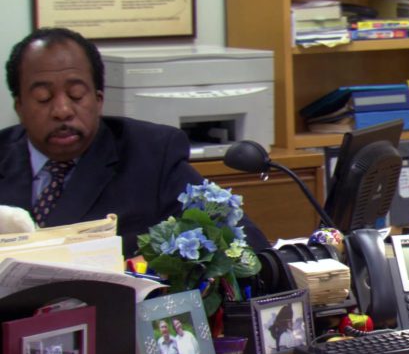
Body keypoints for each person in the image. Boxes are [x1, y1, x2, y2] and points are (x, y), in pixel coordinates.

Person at [0, 27, 270, 258]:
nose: (62, 110)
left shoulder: (151, 155)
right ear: (20, 106)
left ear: (98, 100)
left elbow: (241, 240)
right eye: (44, 98)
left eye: (76, 95)